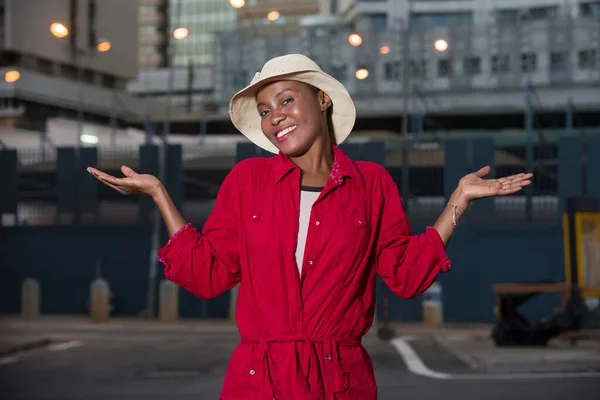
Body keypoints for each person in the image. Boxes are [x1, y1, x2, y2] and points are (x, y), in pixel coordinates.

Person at [87, 54, 533, 399]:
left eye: (285, 100)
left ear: (322, 100)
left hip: (340, 380)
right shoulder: (247, 182)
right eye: (264, 110)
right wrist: (159, 195)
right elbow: (209, 275)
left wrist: (459, 200)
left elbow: (406, 274)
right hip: (259, 381)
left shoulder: (370, 183)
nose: (274, 116)